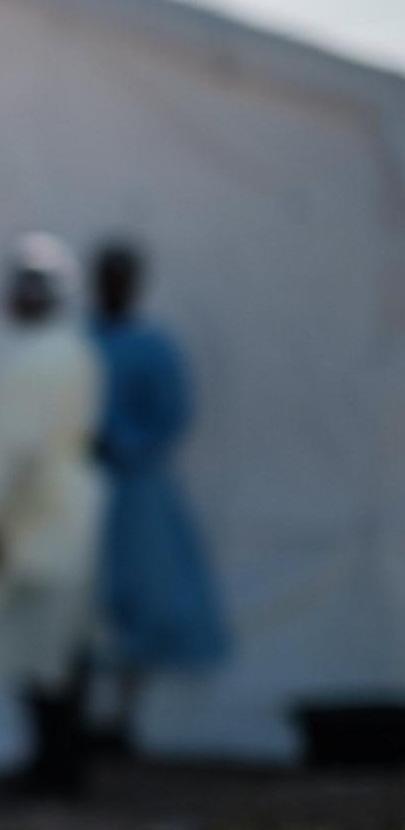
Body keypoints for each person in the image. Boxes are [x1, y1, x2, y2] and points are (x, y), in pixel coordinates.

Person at [0, 236, 107, 796]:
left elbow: (22, 454)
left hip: (38, 518)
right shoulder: (74, 348)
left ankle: (57, 766)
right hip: (65, 512)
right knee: (52, 647)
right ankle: (56, 762)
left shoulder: (35, 356)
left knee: (44, 650)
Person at [90, 242, 230, 747]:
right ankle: (84, 716)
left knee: (141, 600)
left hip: (135, 490)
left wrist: (122, 443)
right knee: (85, 603)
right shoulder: (80, 339)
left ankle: (124, 715)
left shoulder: (155, 347)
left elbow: (171, 418)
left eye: (120, 277)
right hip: (83, 489)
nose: (112, 287)